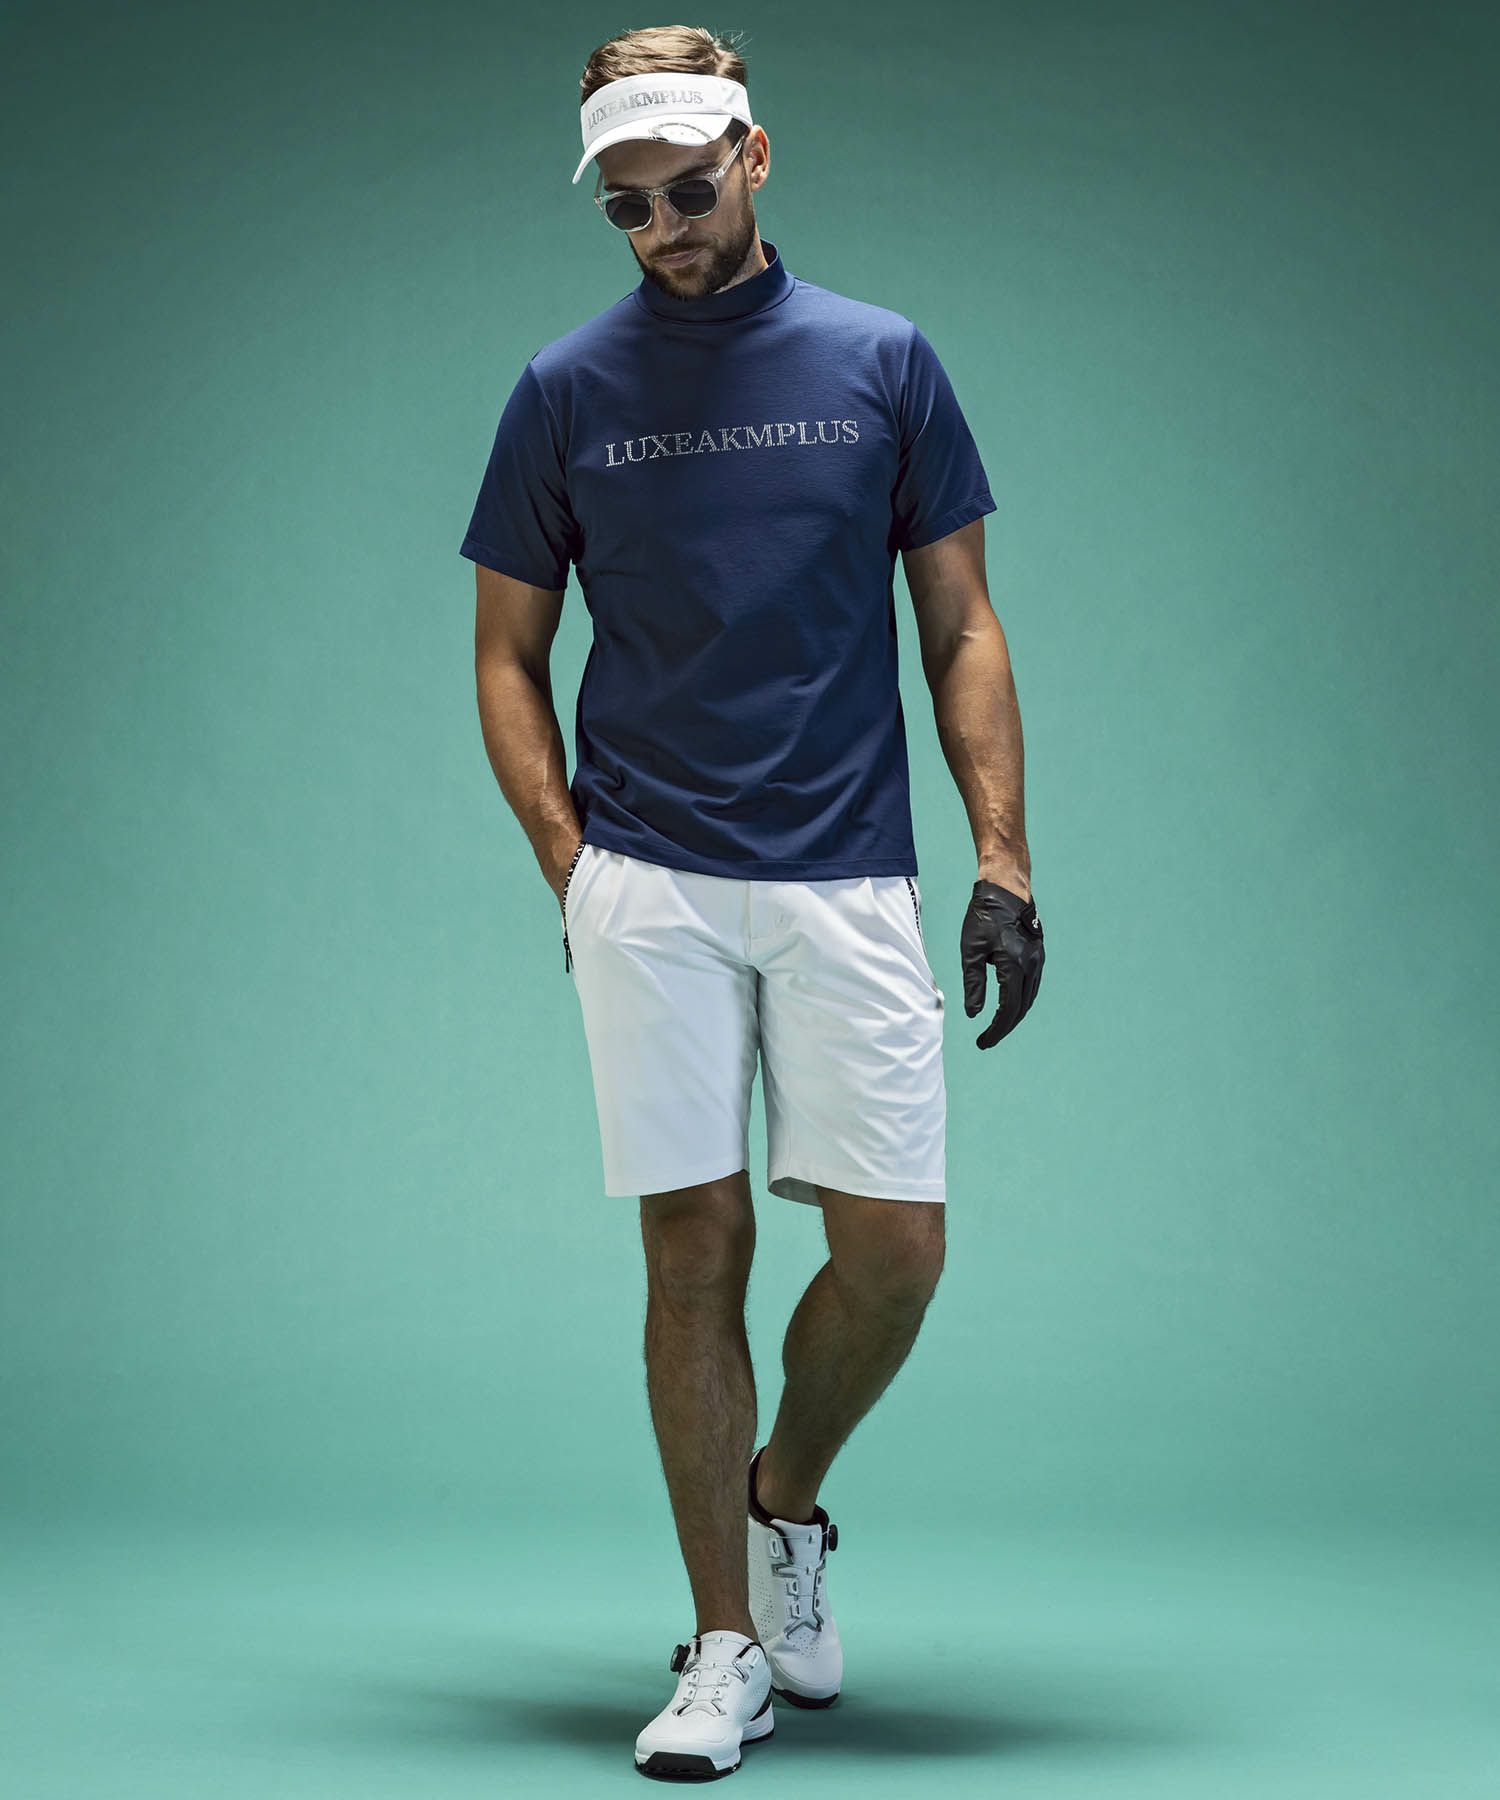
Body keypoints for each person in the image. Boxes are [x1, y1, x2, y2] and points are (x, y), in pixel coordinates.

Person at [462, 25, 1045, 1781]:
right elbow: (505, 654)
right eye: (628, 206)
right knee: (693, 1246)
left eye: (689, 189)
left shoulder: (882, 360)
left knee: (895, 1254)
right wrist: (573, 864)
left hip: (847, 870)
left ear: (756, 156)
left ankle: (783, 1497)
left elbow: (961, 624)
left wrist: (1004, 860)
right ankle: (722, 1641)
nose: (665, 227)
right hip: (651, 876)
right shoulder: (565, 389)